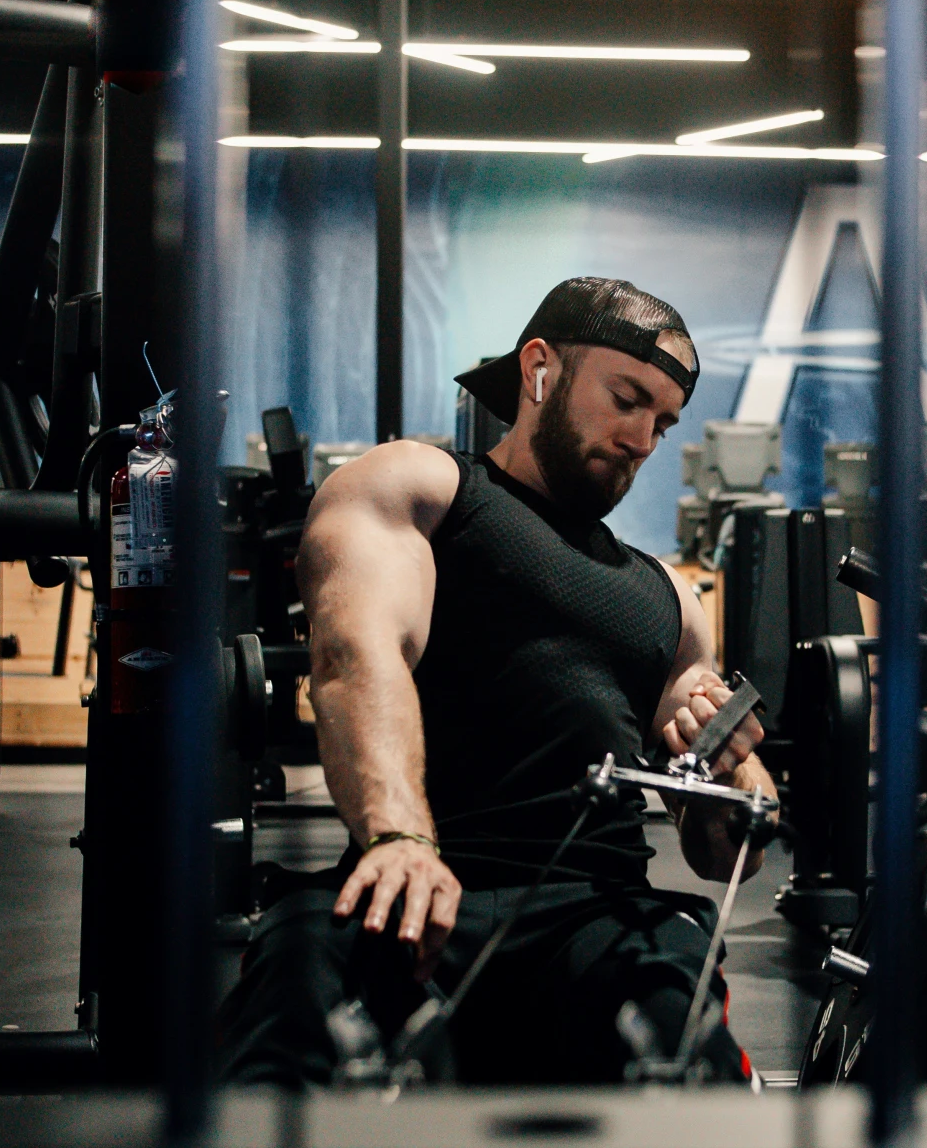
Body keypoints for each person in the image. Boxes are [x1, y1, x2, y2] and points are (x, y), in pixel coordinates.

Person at [219, 277, 775, 1087]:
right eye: (626, 399)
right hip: (409, 879)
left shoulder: (670, 596)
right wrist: (399, 838)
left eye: (662, 421)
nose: (643, 439)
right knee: (294, 1033)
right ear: (539, 368)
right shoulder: (421, 488)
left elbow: (720, 855)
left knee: (684, 1062)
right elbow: (355, 653)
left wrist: (741, 781)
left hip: (595, 914)